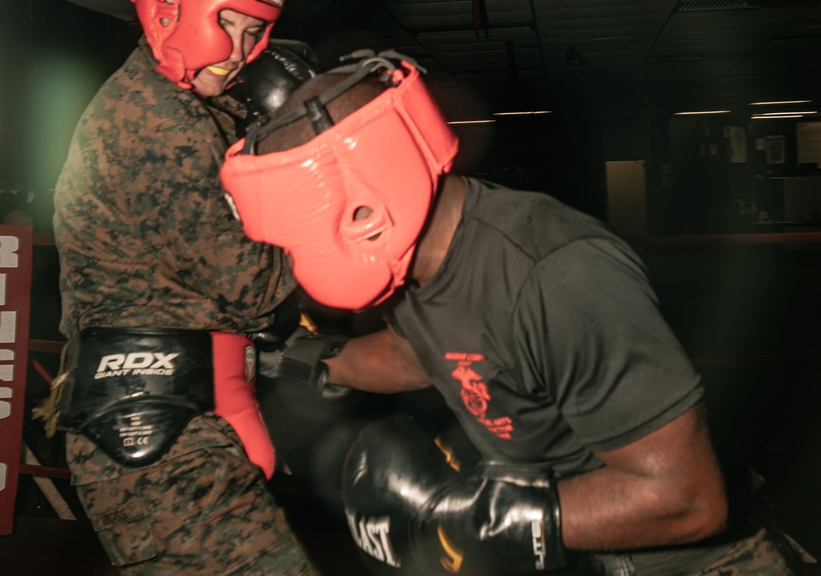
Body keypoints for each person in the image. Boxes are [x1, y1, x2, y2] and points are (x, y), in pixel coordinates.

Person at [219, 51, 800, 575]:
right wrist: (292, 361)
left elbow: (689, 498)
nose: (295, 259)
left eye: (302, 238)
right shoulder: (415, 262)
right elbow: (411, 353)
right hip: (576, 552)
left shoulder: (557, 271)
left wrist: (469, 520)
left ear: (364, 213)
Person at [44, 0, 319, 576]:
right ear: (172, 5)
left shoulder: (197, 112)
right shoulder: (154, 123)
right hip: (151, 423)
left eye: (257, 32)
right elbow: (251, 283)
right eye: (231, 23)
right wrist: (334, 221)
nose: (242, 49)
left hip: (191, 402)